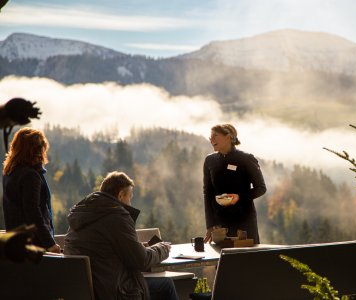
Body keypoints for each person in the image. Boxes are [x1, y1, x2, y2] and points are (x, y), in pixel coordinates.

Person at [64, 171, 178, 300]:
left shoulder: (82, 215)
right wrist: (162, 248)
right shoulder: (116, 217)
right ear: (120, 196)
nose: (130, 203)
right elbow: (142, 260)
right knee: (166, 285)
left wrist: (138, 247)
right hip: (114, 291)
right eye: (130, 197)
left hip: (85, 292)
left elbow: (104, 249)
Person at [203, 123, 266, 244]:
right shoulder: (209, 160)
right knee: (223, 261)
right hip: (221, 224)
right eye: (210, 137)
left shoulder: (246, 159)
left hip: (244, 221)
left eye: (215, 136)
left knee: (245, 261)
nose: (212, 140)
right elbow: (208, 193)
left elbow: (261, 188)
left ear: (228, 137)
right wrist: (210, 225)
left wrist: (239, 197)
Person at [2, 127, 60, 253]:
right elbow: (33, 212)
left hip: (15, 242)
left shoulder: (9, 173)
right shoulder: (30, 176)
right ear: (37, 150)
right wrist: (50, 243)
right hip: (34, 244)